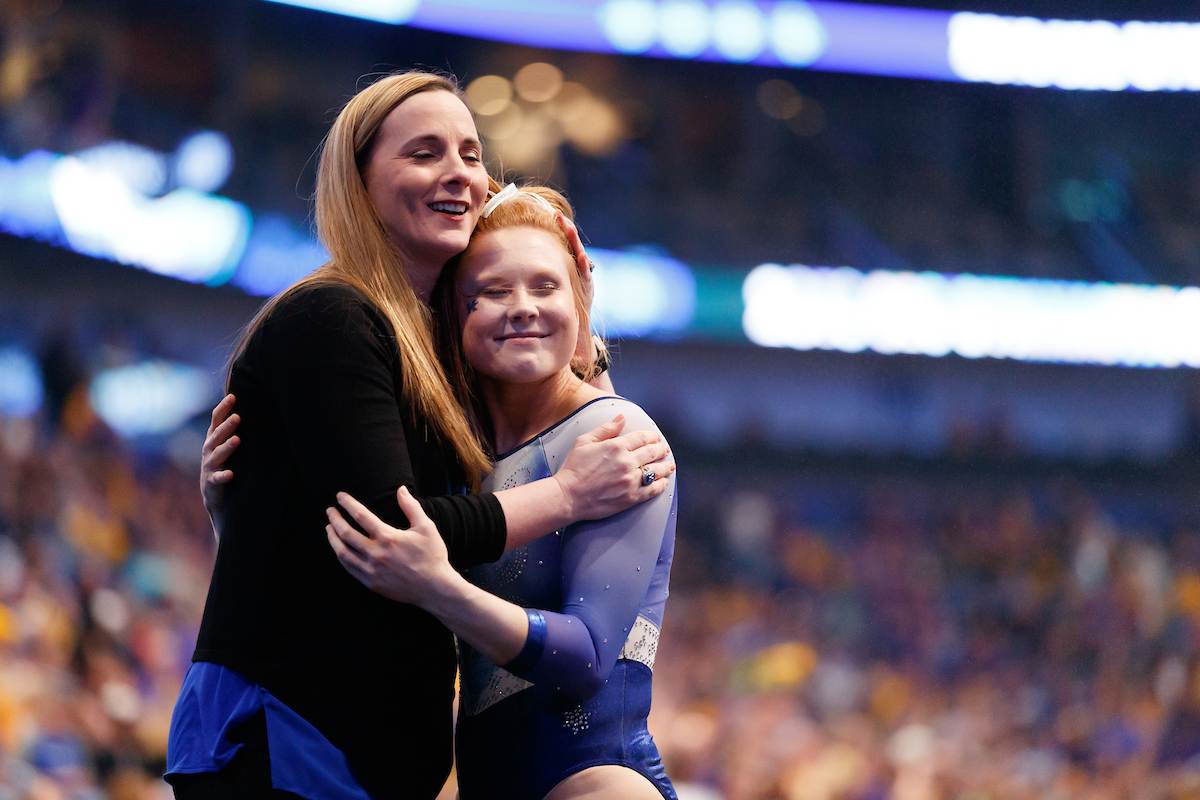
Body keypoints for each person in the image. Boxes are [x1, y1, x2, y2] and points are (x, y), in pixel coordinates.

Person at [165, 71, 673, 800]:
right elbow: (388, 529)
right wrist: (564, 496)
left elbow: (552, 419)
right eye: (424, 152)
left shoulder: (436, 357)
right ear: (358, 179)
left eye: (470, 153)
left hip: (369, 752)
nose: (457, 173)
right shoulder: (334, 318)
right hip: (289, 735)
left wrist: (575, 313)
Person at [324, 185, 677, 799]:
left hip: (595, 783)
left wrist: (440, 587)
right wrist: (235, 524)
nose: (522, 308)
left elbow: (588, 657)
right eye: (491, 292)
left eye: (546, 286)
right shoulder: (454, 456)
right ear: (452, 314)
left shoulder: (616, 439)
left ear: (580, 300)